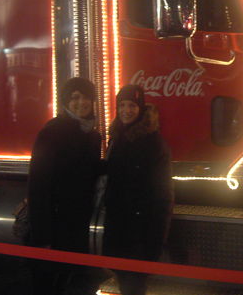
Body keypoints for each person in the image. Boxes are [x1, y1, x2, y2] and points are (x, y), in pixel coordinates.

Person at [28, 77, 103, 295]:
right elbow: (38, 185)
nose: (82, 102)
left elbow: (89, 170)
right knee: (51, 282)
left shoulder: (92, 135)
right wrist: (42, 235)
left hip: (78, 221)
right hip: (55, 221)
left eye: (87, 97)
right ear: (65, 102)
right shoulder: (52, 132)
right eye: (75, 98)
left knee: (73, 280)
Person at [102, 84, 173, 295]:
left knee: (134, 286)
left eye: (131, 105)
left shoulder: (154, 144)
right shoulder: (117, 137)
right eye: (122, 105)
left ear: (141, 108)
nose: (126, 110)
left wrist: (157, 238)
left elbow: (163, 194)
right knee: (126, 283)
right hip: (118, 227)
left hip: (141, 232)